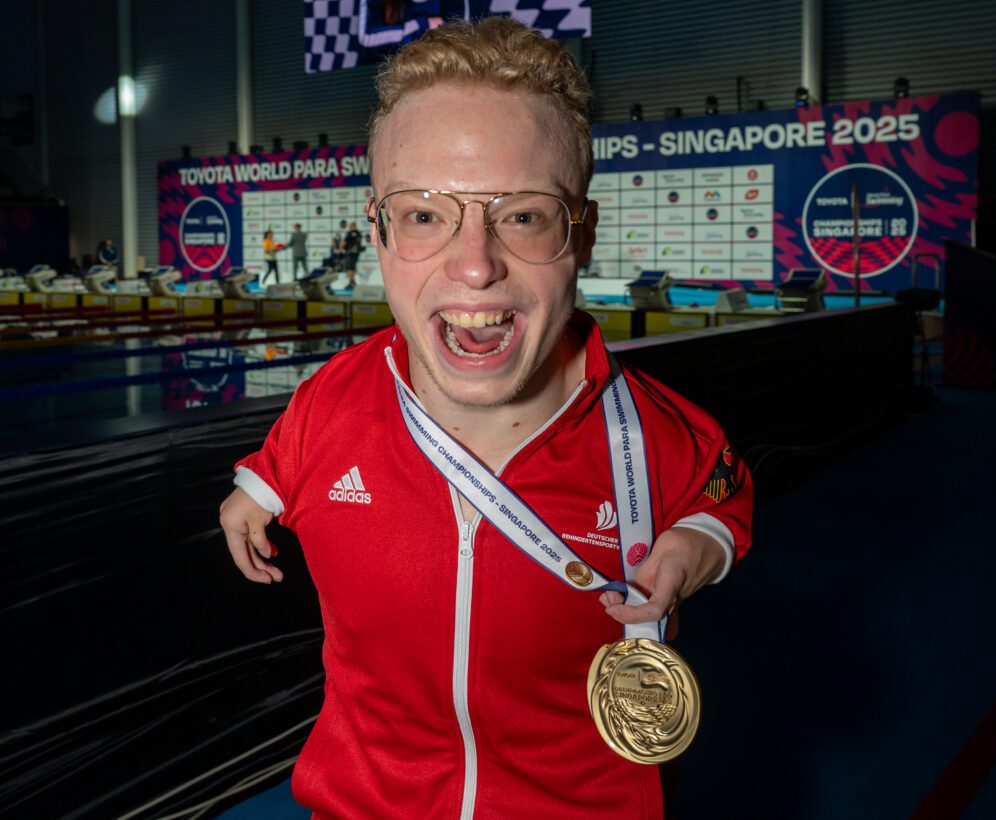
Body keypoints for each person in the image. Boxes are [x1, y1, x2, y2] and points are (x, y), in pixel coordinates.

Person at [219, 17, 752, 819]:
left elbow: (725, 495)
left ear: (583, 233)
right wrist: (253, 491)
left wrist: (694, 547)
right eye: (426, 214)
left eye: (524, 214)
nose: (475, 264)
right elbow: (287, 451)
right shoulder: (331, 396)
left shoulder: (656, 433)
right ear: (378, 233)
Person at [341, 221, 362, 289]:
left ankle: (351, 282)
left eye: (350, 226)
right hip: (356, 254)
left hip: (350, 253)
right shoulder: (358, 233)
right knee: (352, 268)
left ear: (353, 226)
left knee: (349, 268)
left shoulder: (349, 234)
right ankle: (353, 282)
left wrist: (340, 248)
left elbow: (344, 242)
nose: (349, 228)